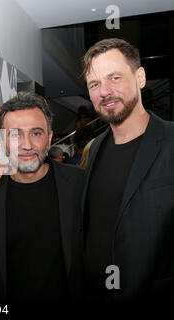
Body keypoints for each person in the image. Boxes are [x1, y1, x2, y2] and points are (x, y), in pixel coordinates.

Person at [81, 38, 174, 299]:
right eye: (95, 84)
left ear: (140, 77)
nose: (105, 92)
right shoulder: (95, 148)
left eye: (114, 78)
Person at [0, 92, 85, 300]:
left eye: (36, 133)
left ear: (49, 139)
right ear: (3, 141)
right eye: (15, 135)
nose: (27, 145)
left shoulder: (79, 184)